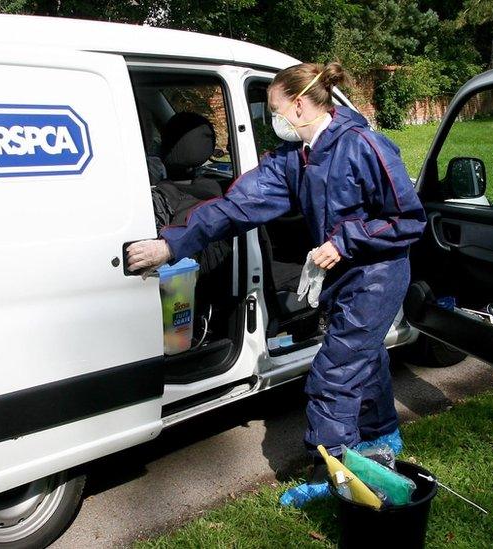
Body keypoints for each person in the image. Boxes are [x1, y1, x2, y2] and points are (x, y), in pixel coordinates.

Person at [126, 62, 427, 508]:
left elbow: (407, 220)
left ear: (301, 105)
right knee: (364, 358)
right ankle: (383, 437)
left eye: (275, 108)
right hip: (343, 275)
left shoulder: (364, 145)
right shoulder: (296, 159)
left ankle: (335, 479)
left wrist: (344, 242)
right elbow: (234, 207)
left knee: (333, 375)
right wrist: (171, 247)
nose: (273, 119)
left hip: (378, 275)